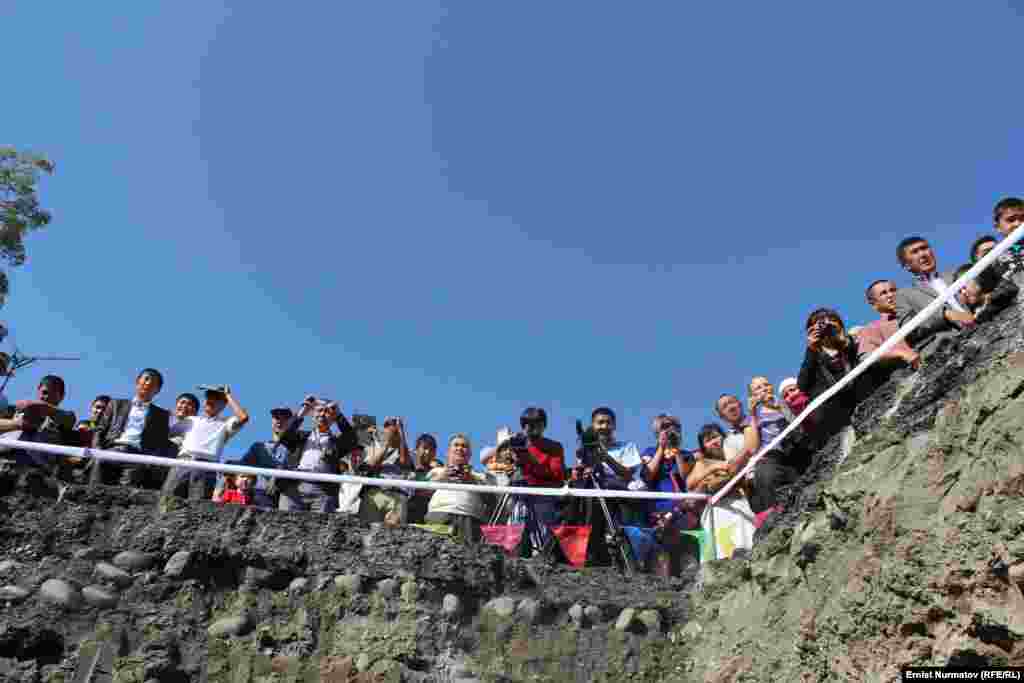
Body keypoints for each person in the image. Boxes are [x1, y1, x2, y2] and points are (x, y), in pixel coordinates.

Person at [163, 385, 249, 501]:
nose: (211, 400)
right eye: (208, 397)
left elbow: (243, 417)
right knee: (167, 499)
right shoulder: (191, 420)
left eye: (216, 398)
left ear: (224, 404)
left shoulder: (225, 423)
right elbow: (165, 435)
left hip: (206, 468)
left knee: (197, 507)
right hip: (183, 463)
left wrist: (228, 395)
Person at [89, 369, 171, 488]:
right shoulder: (116, 404)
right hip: (112, 449)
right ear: (137, 382)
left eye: (154, 383)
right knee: (97, 488)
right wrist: (97, 450)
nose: (148, 383)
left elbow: (161, 442)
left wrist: (148, 461)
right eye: (146, 379)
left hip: (137, 456)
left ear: (157, 390)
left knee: (125, 494)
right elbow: (100, 429)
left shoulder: (161, 415)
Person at [277, 397, 358, 514]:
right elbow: (284, 435)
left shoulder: (336, 442)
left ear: (332, 418)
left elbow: (352, 440)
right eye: (319, 410)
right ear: (312, 414)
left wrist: (339, 415)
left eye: (327, 412)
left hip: (323, 492)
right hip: (294, 487)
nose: (322, 414)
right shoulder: (301, 436)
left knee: (321, 529)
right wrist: (303, 410)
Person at [894, 236, 976, 353]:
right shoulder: (903, 295)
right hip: (949, 347)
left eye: (924, 248)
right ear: (906, 265)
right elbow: (909, 331)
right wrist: (944, 315)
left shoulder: (956, 274)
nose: (923, 254)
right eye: (915, 252)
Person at [504, 407, 566, 558]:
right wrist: (511, 458)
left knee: (540, 541)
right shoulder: (518, 443)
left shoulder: (553, 447)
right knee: (514, 537)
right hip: (519, 493)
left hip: (543, 497)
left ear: (544, 425)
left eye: (535, 423)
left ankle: (541, 565)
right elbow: (503, 463)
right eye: (526, 423)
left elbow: (557, 475)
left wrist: (527, 458)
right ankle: (512, 565)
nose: (530, 427)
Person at [687, 424, 756, 560]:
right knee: (721, 552)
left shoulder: (734, 454)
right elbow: (690, 484)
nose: (714, 442)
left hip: (739, 501)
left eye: (715, 437)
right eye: (708, 441)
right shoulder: (703, 462)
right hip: (716, 508)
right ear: (703, 447)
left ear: (723, 437)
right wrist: (713, 468)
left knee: (745, 542)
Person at [797, 309, 864, 441]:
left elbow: (864, 358)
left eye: (832, 321)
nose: (826, 326)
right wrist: (811, 350)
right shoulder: (813, 356)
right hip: (834, 412)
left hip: (859, 396)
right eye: (820, 324)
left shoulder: (851, 343)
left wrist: (843, 340)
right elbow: (802, 386)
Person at [744, 376, 802, 514]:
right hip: (771, 461)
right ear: (753, 396)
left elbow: (799, 426)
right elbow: (752, 448)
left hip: (795, 455)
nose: (764, 388)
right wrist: (752, 415)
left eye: (766, 384)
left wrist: (780, 407)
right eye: (758, 388)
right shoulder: (753, 418)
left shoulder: (786, 402)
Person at [0, 375, 78, 477]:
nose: (46, 397)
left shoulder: (66, 417)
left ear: (62, 396)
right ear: (38, 390)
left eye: (53, 394)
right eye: (44, 392)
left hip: (33, 470)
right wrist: (18, 424)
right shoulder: (16, 410)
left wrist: (37, 406)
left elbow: (68, 420)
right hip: (4, 458)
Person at [223, 406, 297, 509]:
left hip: (284, 496)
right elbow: (241, 466)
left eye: (284, 418)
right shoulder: (259, 447)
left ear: (290, 422)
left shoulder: (296, 448)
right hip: (258, 495)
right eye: (276, 417)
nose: (279, 421)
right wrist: (227, 468)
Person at [426, 433, 488, 543]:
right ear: (448, 452)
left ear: (469, 454)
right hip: (439, 514)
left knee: (468, 554)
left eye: (464, 446)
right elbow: (422, 493)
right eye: (456, 445)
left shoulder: (480, 476)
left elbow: (490, 499)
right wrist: (443, 476)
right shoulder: (436, 471)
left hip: (470, 517)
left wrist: (471, 479)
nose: (460, 448)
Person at [360, 416, 414, 525]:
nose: (391, 430)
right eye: (387, 427)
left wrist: (401, 436)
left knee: (394, 535)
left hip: (398, 495)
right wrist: (386, 445)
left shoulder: (408, 452)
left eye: (395, 428)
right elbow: (371, 466)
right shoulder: (371, 447)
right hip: (374, 493)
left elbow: (405, 464)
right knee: (368, 530)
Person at [857, 281, 921, 370]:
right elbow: (866, 357)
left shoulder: (918, 308)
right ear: (873, 304)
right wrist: (899, 353)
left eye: (893, 290)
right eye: (883, 293)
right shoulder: (871, 328)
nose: (890, 295)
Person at [407, 433, 442, 524]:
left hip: (430, 510)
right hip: (410, 509)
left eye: (432, 450)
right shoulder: (408, 466)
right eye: (425, 448)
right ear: (416, 449)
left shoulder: (438, 469)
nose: (428, 452)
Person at [992, 197, 1024, 285]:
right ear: (997, 227)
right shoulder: (993, 259)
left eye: (1022, 219)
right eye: (1011, 220)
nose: (1018, 223)